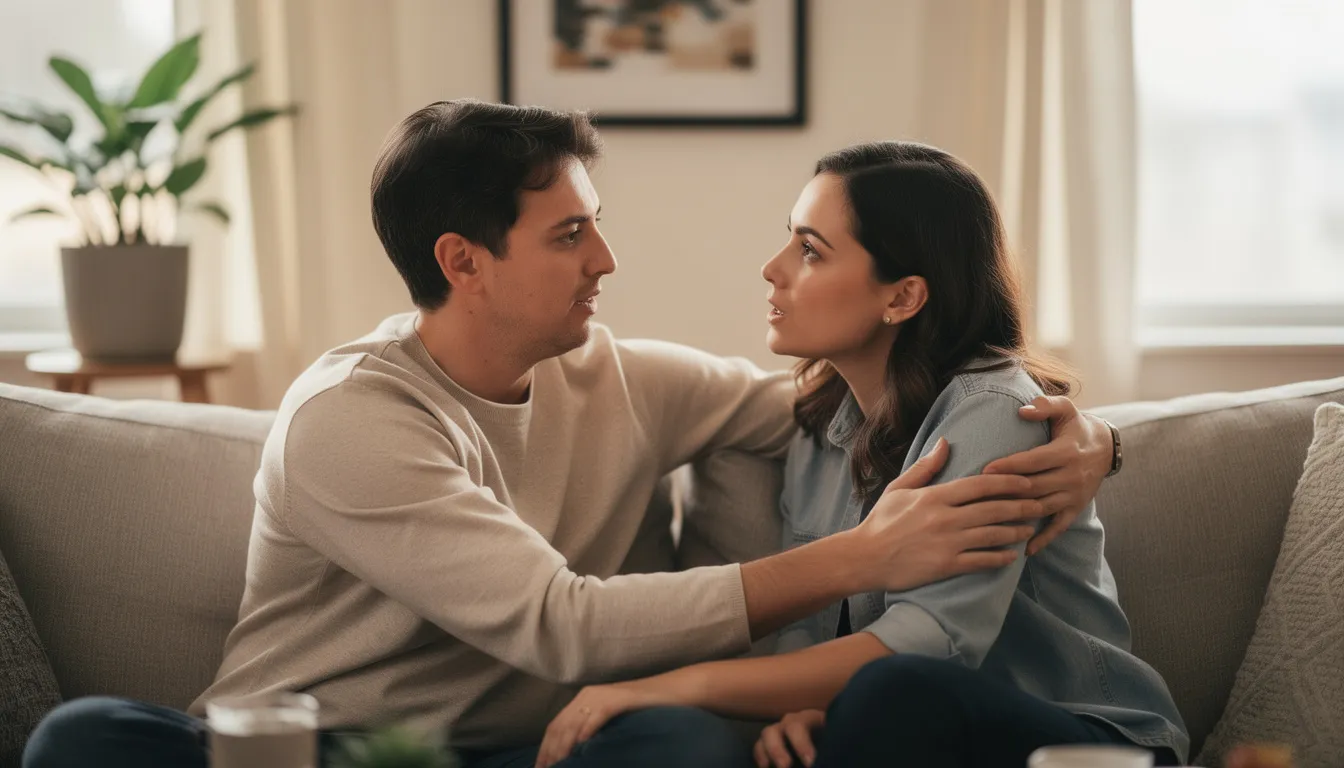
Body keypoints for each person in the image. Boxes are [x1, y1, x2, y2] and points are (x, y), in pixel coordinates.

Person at [23, 103, 1120, 768]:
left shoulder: (633, 381)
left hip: (528, 754)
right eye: (569, 234)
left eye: (596, 224)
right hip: (325, 748)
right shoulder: (349, 419)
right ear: (463, 261)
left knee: (683, 752)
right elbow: (561, 625)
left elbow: (894, 401)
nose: (606, 260)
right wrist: (862, 557)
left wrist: (1096, 444)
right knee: (82, 743)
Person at [534, 142, 1187, 768]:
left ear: (902, 296)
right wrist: (797, 707)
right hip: (917, 735)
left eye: (811, 251)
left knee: (892, 689)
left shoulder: (996, 411)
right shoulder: (819, 426)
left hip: (1090, 739)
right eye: (790, 236)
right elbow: (807, 626)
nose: (773, 267)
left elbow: (936, 643)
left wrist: (670, 686)